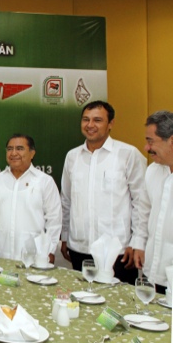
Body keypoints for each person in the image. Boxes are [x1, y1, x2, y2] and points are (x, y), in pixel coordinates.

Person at [61, 100, 146, 284]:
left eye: (97, 120)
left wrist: (137, 241)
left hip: (119, 252)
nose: (90, 125)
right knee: (83, 303)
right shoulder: (72, 157)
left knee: (118, 308)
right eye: (86, 119)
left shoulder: (128, 154)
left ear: (111, 124)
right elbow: (66, 201)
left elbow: (141, 203)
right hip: (80, 249)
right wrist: (65, 237)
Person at [0, 134, 61, 261]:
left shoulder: (44, 181)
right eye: (9, 149)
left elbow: (54, 219)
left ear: (32, 153)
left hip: (34, 256)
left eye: (19, 148)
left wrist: (50, 250)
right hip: (2, 254)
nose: (13, 153)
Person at [133, 110, 173, 293]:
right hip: (152, 271)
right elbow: (143, 212)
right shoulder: (152, 171)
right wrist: (139, 244)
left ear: (171, 141)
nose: (146, 148)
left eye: (150, 141)